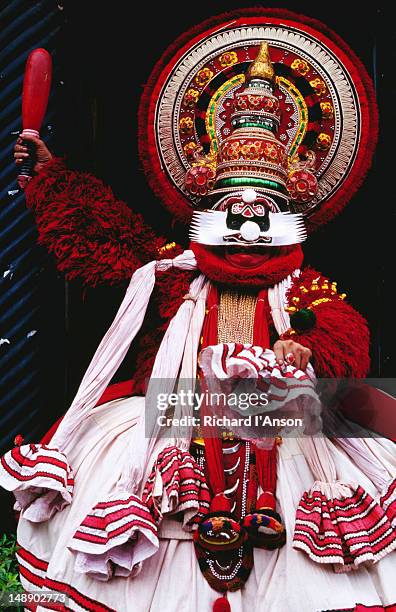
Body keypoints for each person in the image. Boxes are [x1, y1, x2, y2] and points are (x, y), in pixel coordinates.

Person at [3, 14, 396, 612]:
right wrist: (49, 178)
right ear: (205, 209)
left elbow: (345, 329)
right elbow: (102, 236)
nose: (246, 222)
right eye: (230, 209)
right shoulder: (169, 271)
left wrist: (306, 348)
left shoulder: (302, 287)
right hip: (171, 424)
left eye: (262, 209)